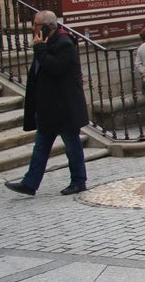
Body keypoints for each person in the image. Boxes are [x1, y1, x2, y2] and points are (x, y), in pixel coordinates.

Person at [5, 11, 88, 196]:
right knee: (40, 148)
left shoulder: (64, 43)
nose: (32, 28)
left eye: (35, 24)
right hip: (49, 109)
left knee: (72, 146)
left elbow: (56, 68)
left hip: (64, 108)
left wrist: (40, 49)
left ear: (47, 27)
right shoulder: (45, 43)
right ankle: (30, 183)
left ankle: (79, 181)